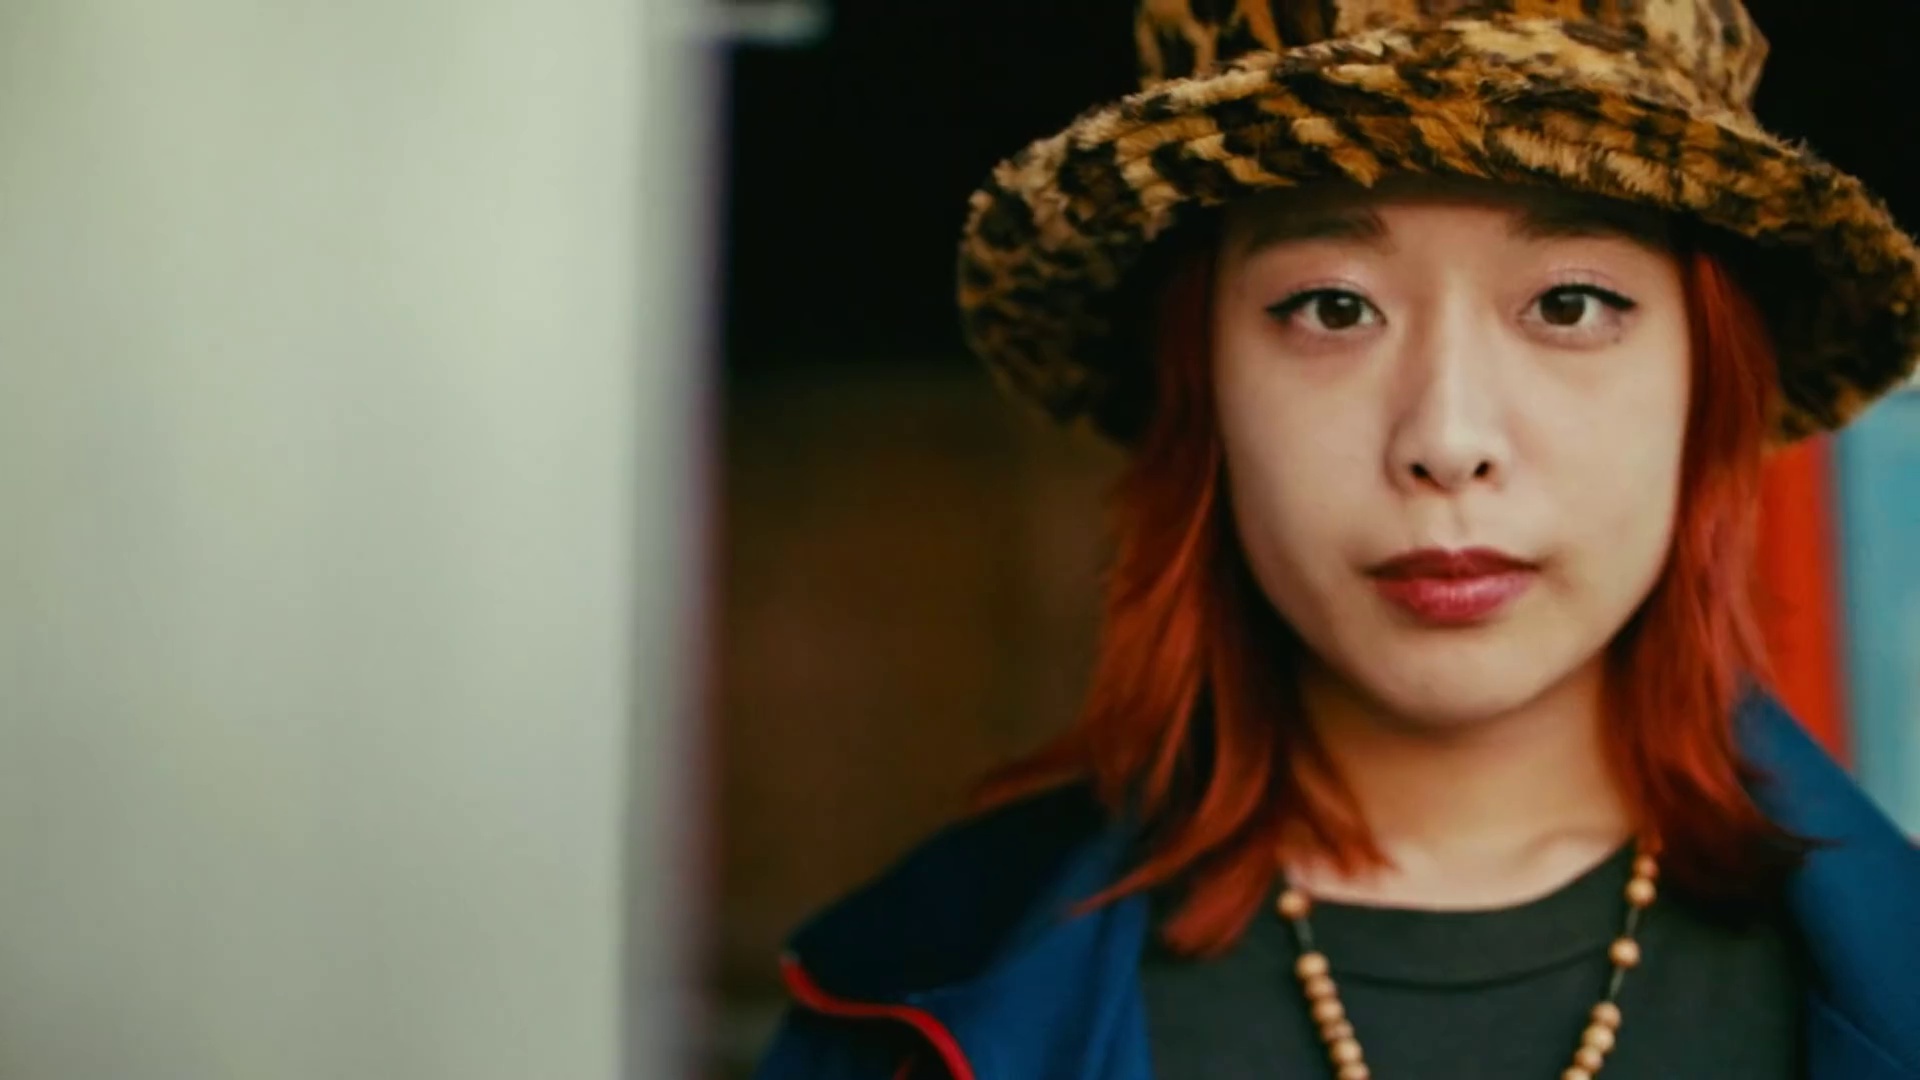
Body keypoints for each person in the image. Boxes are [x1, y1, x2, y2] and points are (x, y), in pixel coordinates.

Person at [755, 2, 1920, 1078]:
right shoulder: (898, 1003)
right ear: (1201, 386)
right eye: (1333, 306)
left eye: (1568, 304)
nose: (1447, 439)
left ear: (1708, 383)